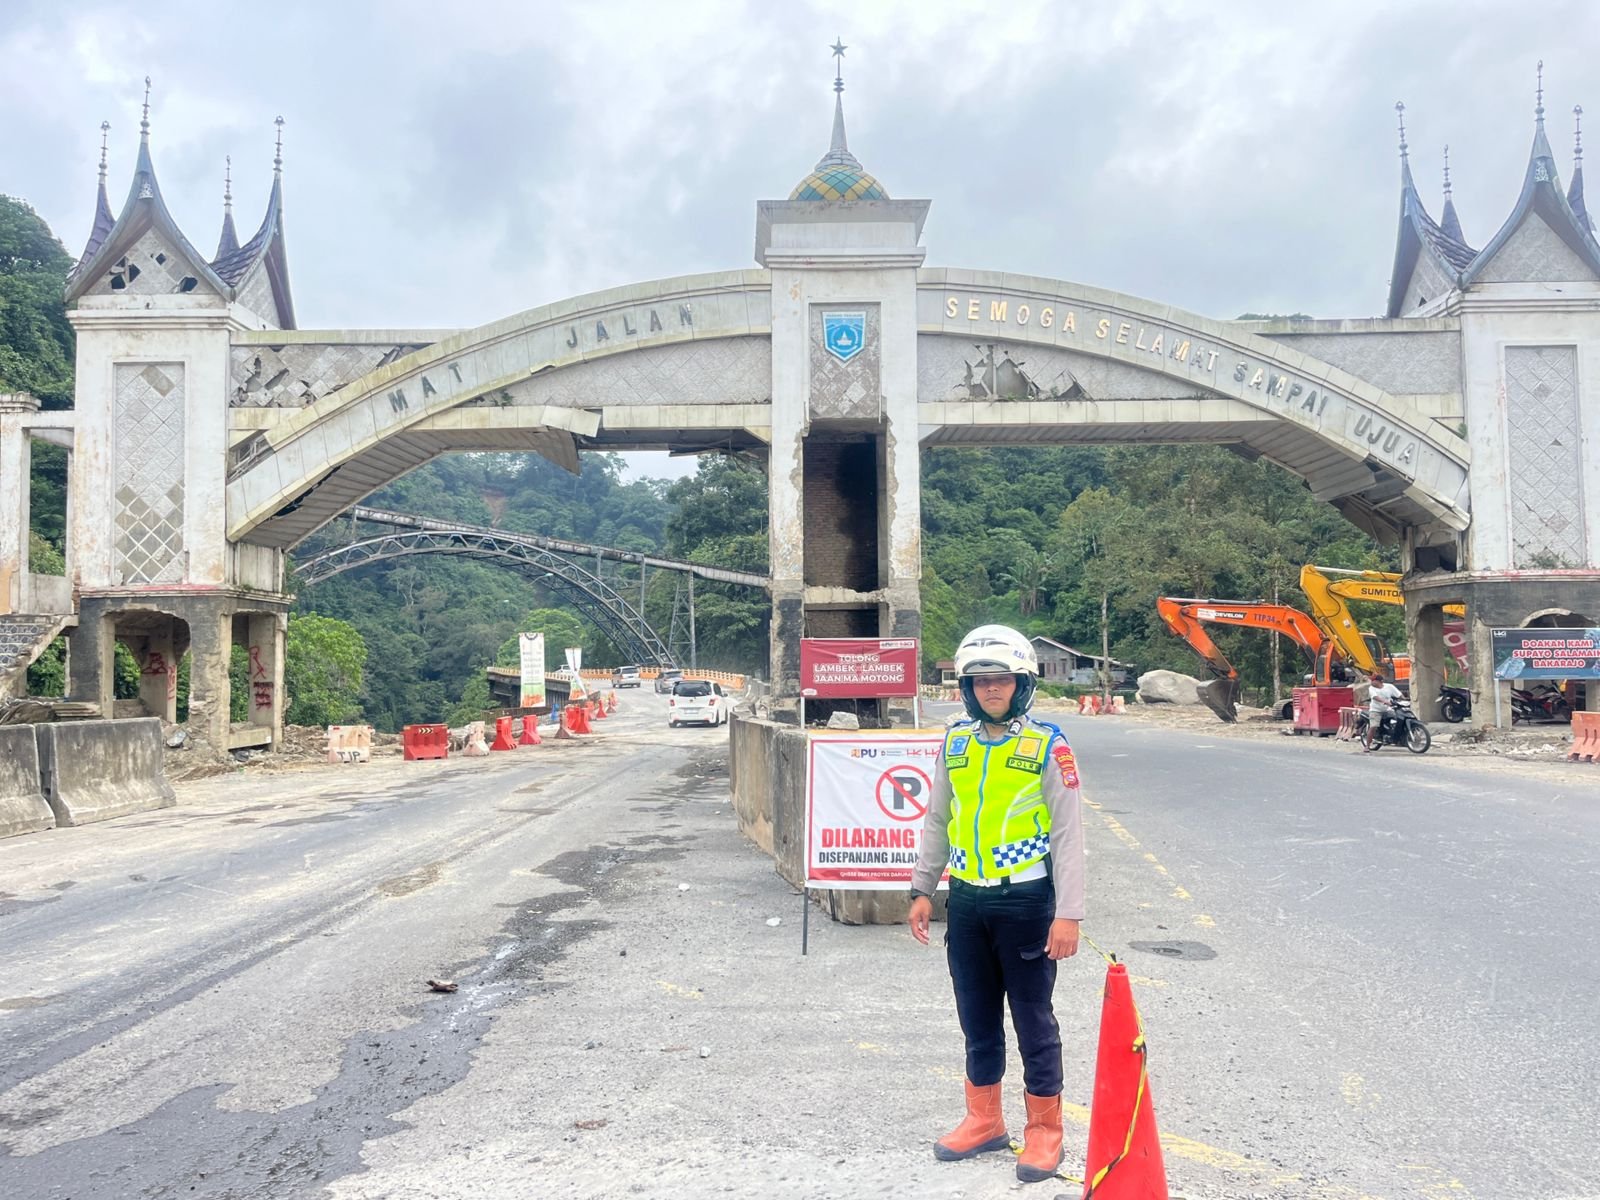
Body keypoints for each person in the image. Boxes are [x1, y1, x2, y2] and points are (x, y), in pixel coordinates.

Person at [907, 624, 1086, 1184]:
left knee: (1033, 1021)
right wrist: (921, 888)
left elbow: (1068, 835)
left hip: (1025, 902)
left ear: (1021, 683)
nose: (991, 689)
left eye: (1002, 679)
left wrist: (1069, 913)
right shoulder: (956, 743)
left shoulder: (1047, 745)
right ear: (966, 687)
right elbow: (938, 817)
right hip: (966, 901)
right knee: (976, 1017)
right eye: (980, 680)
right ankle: (984, 1120)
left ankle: (1045, 1130)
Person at [1365, 672, 1403, 749]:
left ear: (1380, 681)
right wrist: (1385, 701)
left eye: (1373, 680)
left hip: (1388, 709)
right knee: (1373, 726)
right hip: (1376, 710)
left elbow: (1399, 695)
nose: (1371, 682)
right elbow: (1375, 697)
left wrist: (1404, 700)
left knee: (1399, 719)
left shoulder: (1389, 686)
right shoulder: (1371, 688)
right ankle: (1367, 746)